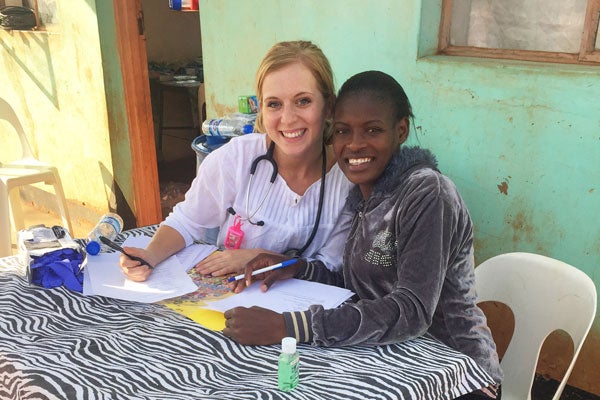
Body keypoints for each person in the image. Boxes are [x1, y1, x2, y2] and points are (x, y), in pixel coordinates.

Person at [223, 71, 503, 397]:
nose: (354, 144)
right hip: (391, 360)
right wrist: (295, 267)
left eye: (372, 130)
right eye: (343, 131)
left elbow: (411, 309)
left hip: (455, 373)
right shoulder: (362, 196)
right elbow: (361, 283)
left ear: (401, 130)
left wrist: (289, 327)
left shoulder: (427, 193)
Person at [119, 40, 352, 282]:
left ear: (328, 107)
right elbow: (187, 221)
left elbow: (330, 267)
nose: (288, 118)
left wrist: (260, 256)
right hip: (231, 300)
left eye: (303, 101)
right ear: (261, 108)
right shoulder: (237, 159)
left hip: (300, 309)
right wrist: (149, 255)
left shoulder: (348, 180)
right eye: (274, 104)